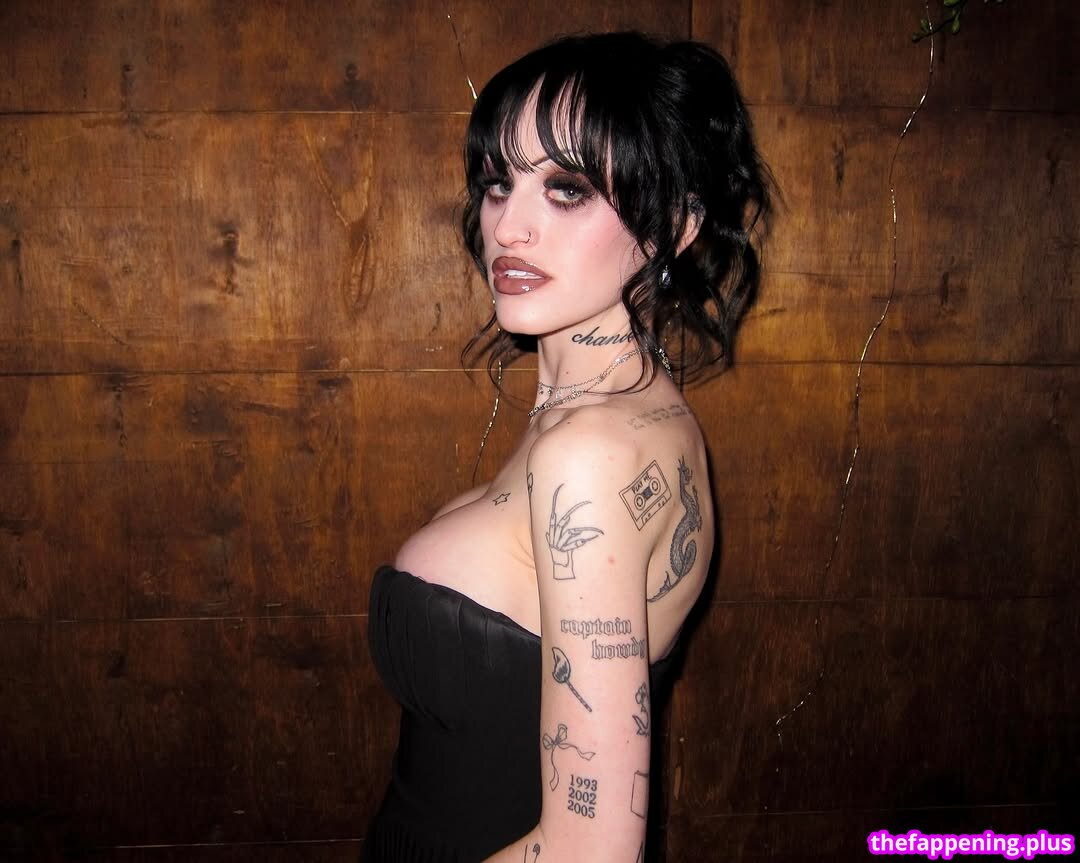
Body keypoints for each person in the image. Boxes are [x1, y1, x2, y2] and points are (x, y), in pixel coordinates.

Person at [364, 31, 771, 863]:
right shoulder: (629, 412)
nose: (508, 227)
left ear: (674, 225)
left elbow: (590, 851)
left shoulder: (590, 455)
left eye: (567, 189)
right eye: (498, 182)